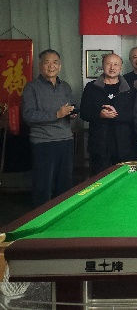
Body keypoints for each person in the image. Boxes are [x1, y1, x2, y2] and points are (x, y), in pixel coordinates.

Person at [22, 49, 76, 207]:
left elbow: (69, 108)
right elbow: (28, 115)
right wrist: (56, 114)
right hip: (43, 143)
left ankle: (63, 218)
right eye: (47, 62)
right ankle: (40, 220)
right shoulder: (31, 88)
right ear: (40, 65)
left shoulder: (65, 87)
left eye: (55, 62)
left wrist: (71, 114)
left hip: (66, 140)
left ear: (60, 66)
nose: (51, 66)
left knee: (65, 186)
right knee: (43, 187)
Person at [80, 53, 136, 175]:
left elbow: (135, 114)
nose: (112, 67)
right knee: (99, 178)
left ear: (121, 67)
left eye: (116, 64)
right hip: (99, 144)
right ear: (102, 66)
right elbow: (84, 113)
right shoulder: (91, 87)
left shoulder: (129, 89)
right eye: (108, 64)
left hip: (124, 145)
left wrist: (116, 115)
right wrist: (100, 115)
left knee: (124, 180)